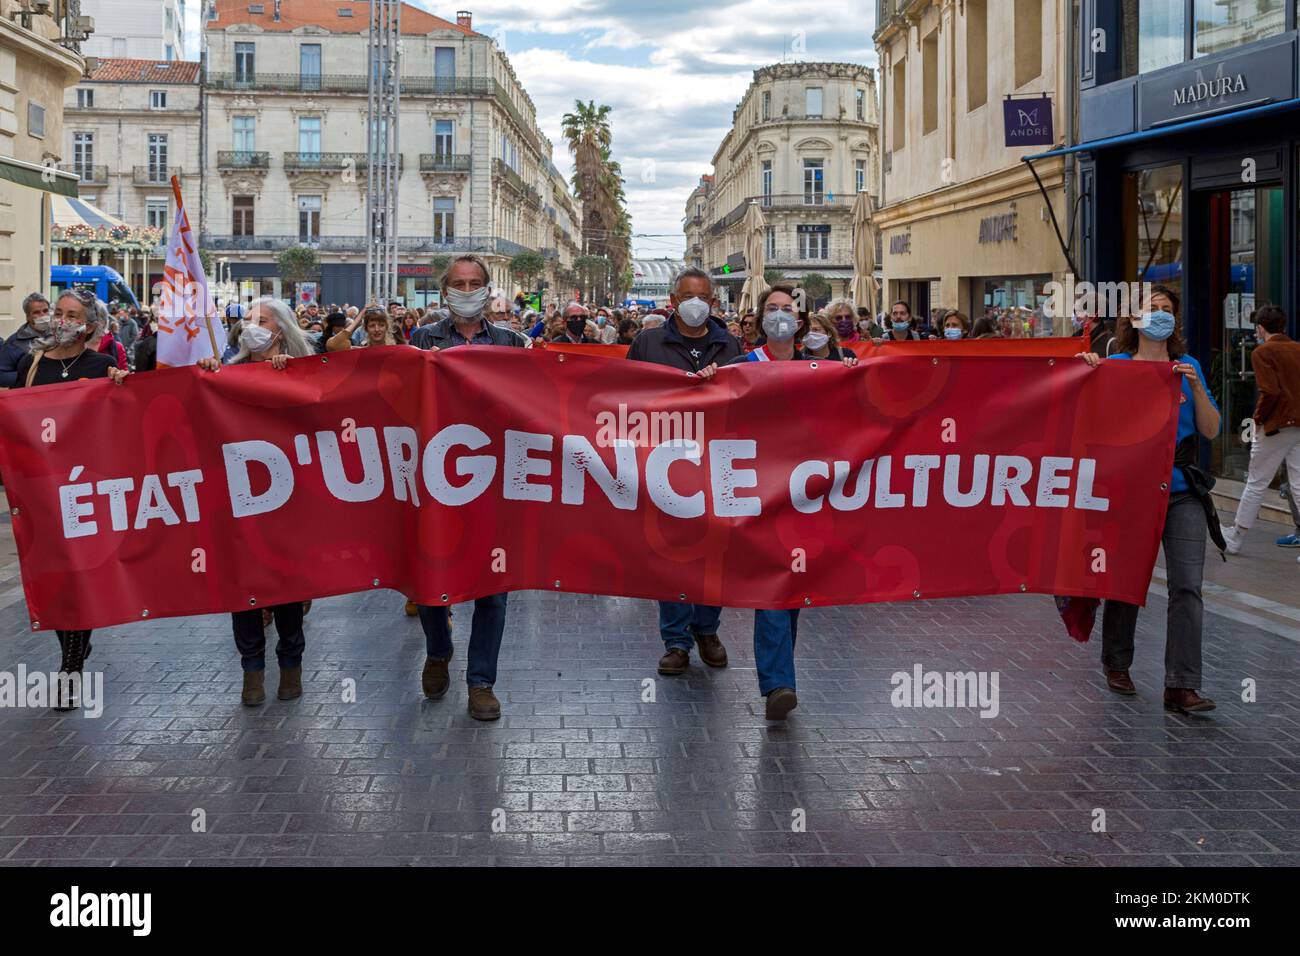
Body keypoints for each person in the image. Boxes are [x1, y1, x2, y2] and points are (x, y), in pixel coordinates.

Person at [710, 284, 856, 719]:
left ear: (799, 319)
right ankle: (778, 683)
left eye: (786, 309)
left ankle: (780, 673)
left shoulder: (826, 366)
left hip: (810, 494)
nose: (779, 316)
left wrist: (852, 368)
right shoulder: (741, 366)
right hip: (758, 492)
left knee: (791, 585)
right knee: (773, 580)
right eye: (771, 309)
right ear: (760, 318)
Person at [1077, 285, 1220, 714]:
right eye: (1150, 310)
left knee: (1188, 587)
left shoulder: (1188, 366)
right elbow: (1087, 416)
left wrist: (1194, 388)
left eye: (1166, 310)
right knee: (1126, 580)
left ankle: (1182, 685)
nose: (1159, 315)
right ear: (1134, 321)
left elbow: (1212, 429)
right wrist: (1086, 371)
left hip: (1181, 492)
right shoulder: (1116, 365)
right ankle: (1117, 663)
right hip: (1130, 491)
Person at [409, 254, 523, 720]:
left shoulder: (511, 344)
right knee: (431, 578)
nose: (467, 289)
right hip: (435, 480)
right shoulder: (421, 340)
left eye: (475, 282)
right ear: (444, 292)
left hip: (494, 480)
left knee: (493, 587)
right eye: (459, 283)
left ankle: (481, 682)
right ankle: (439, 650)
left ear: (488, 289)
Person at [11, 289, 129, 709]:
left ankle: (70, 666)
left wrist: (115, 387)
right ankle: (72, 646)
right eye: (58, 313)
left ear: (89, 325)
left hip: (82, 489)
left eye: (71, 314)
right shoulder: (32, 364)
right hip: (39, 488)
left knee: (78, 574)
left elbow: (120, 420)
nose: (61, 320)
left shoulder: (102, 366)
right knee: (53, 575)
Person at [196, 297, 315, 705]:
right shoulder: (230, 371)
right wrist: (211, 375)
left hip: (290, 499)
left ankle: (290, 665)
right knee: (243, 586)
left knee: (285, 586)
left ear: (280, 328)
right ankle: (251, 670)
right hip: (239, 497)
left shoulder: (305, 370)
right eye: (248, 319)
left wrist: (291, 380)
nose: (252, 325)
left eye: (261, 320)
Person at [626, 267, 743, 677]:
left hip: (716, 464)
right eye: (687, 296)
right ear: (673, 301)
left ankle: (707, 630)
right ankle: (675, 641)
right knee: (671, 553)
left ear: (713, 302)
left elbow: (748, 400)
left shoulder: (730, 345)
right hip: (663, 461)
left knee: (715, 553)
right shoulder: (647, 342)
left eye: (704, 297)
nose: (696, 303)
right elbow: (624, 396)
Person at [1222, 304, 1300, 560]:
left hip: (1276, 425)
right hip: (1298, 423)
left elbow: (1271, 391)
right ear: (1283, 326)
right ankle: (1235, 536)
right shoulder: (1297, 348)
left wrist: (1258, 419)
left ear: (1260, 327)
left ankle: (1236, 537)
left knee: (1256, 483)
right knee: (1299, 485)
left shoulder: (1262, 352)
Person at [0, 292, 52, 387]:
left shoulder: (59, 336)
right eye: (36, 312)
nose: (43, 315)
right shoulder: (14, 342)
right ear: (27, 317)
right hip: (27, 396)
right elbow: (1, 375)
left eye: (45, 311)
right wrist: (29, 375)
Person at [328, 303, 399, 351]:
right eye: (372, 326)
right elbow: (333, 345)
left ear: (386, 327)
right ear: (366, 328)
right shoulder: (361, 351)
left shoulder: (396, 350)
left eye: (381, 325)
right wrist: (359, 317)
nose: (377, 329)